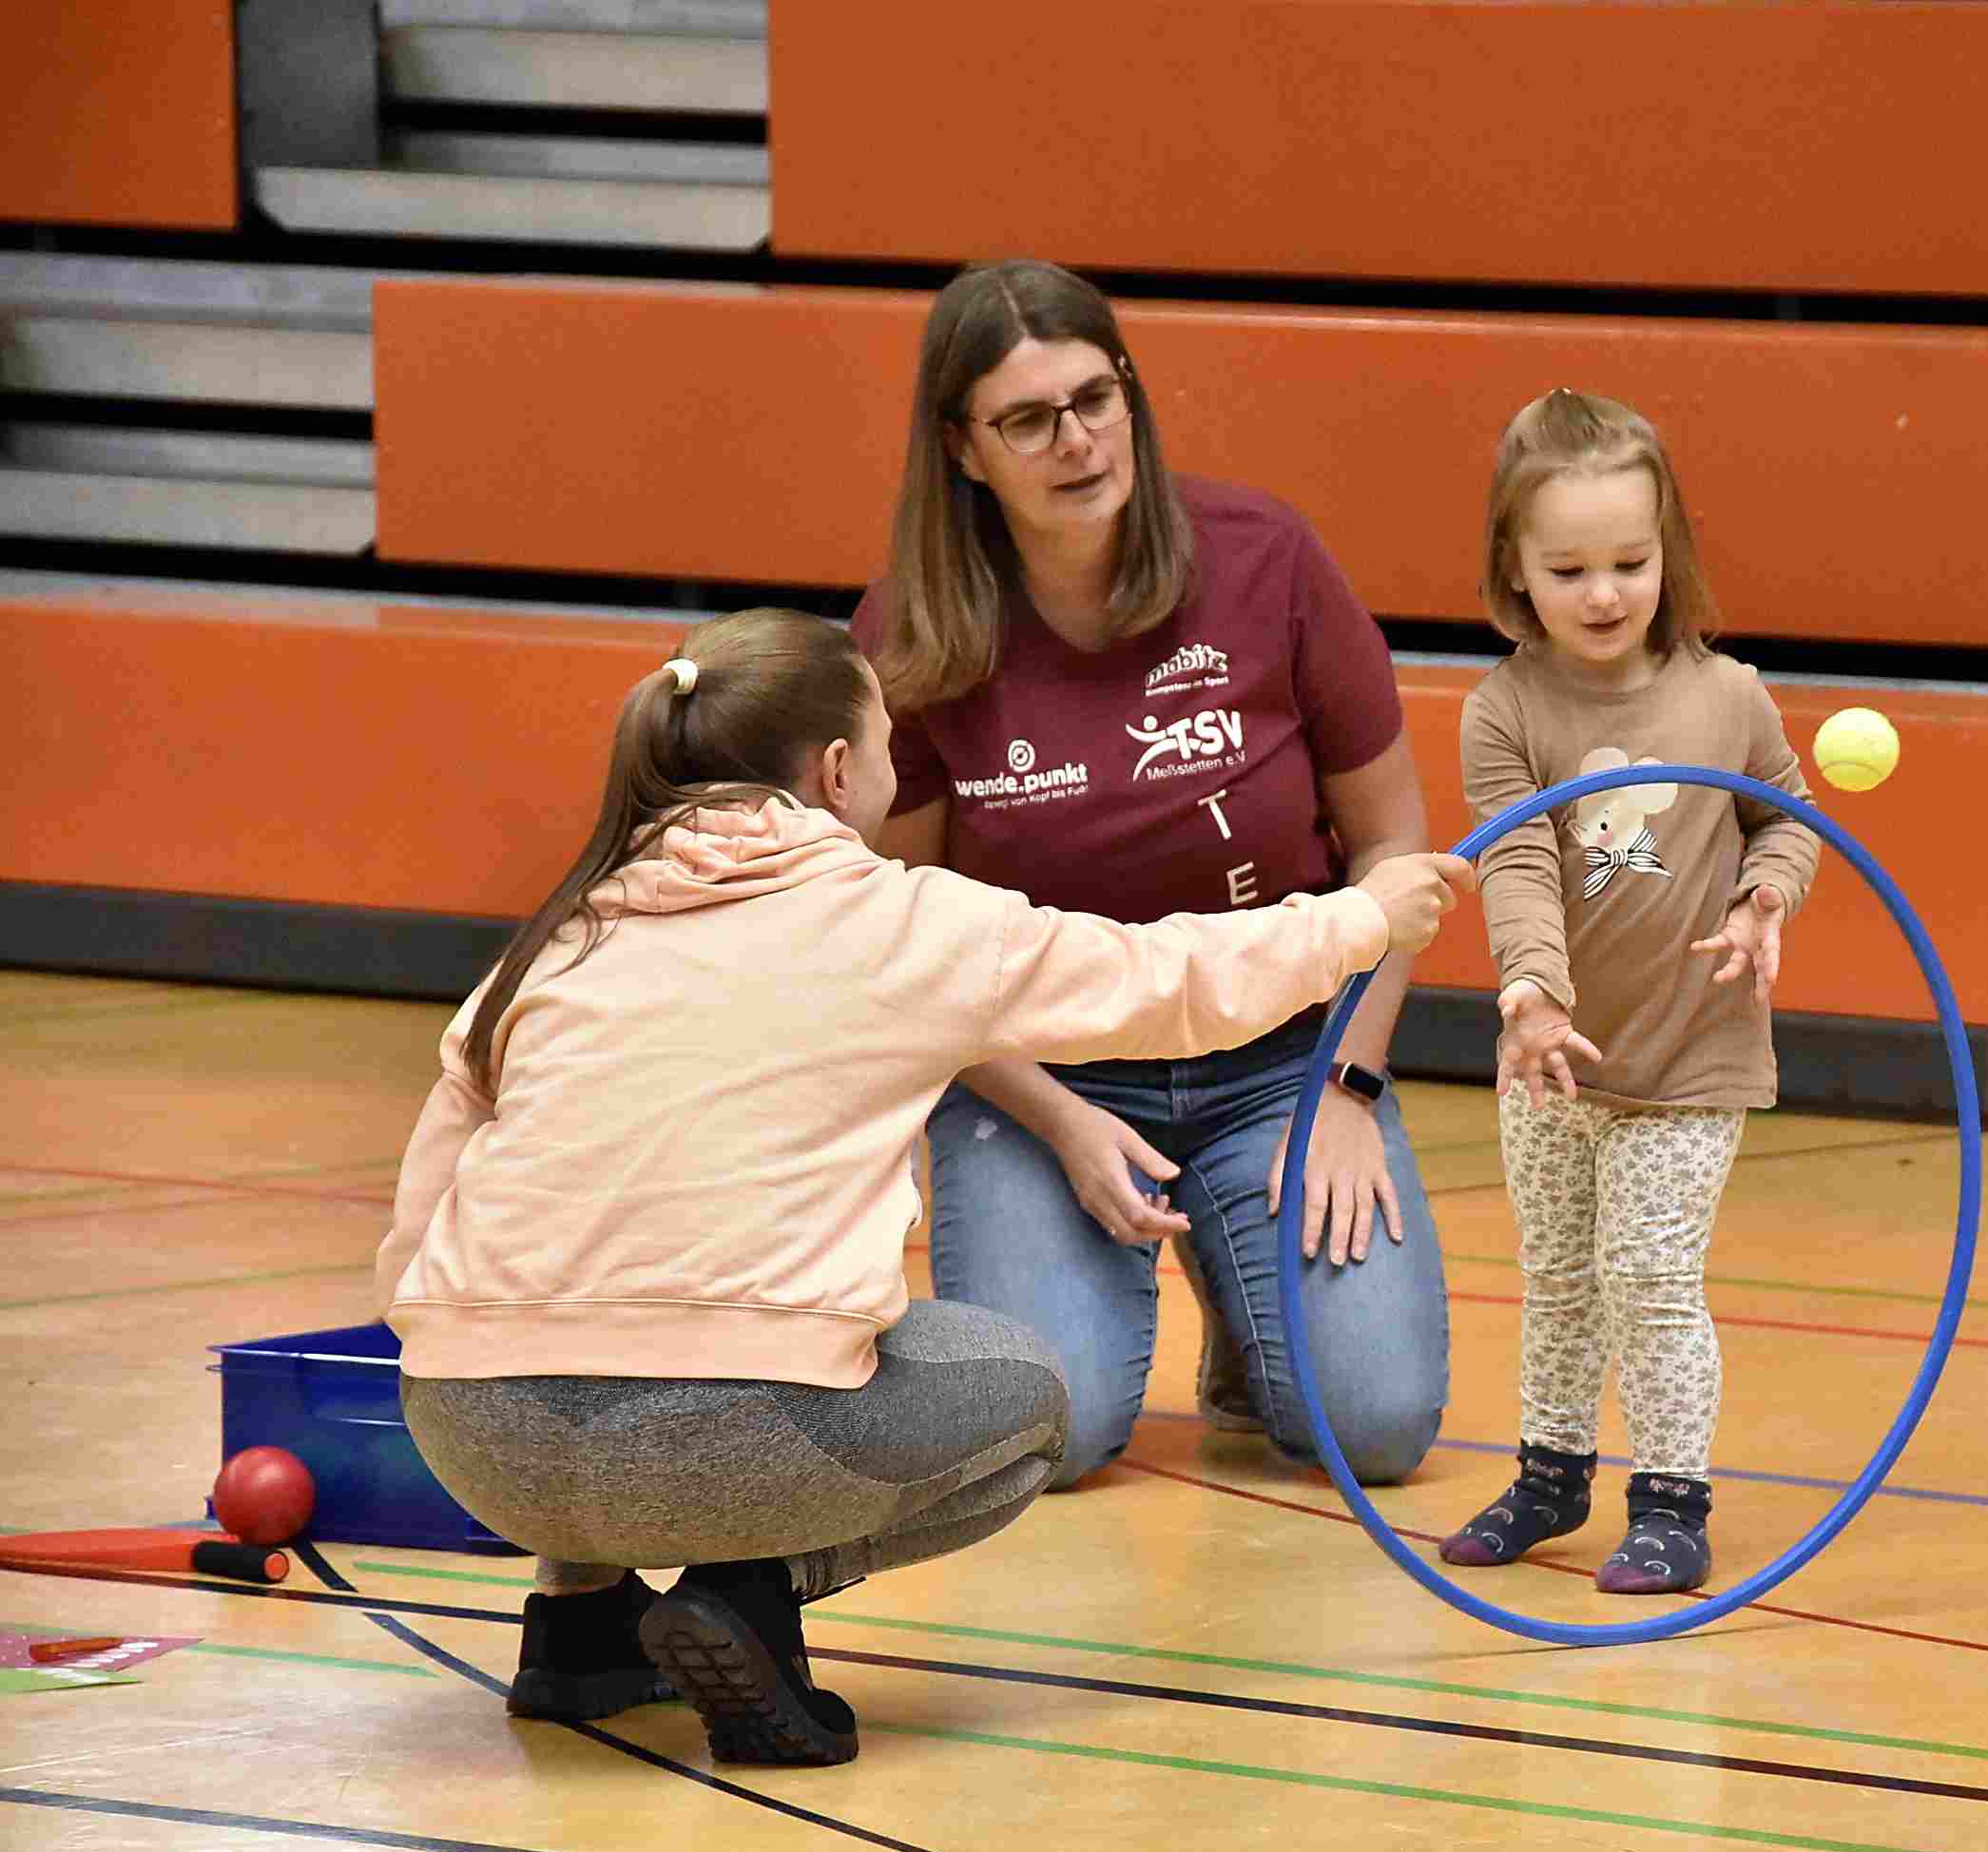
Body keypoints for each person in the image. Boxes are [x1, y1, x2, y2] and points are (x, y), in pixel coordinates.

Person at [376, 608, 1471, 1766]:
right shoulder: (899, 919)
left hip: (470, 1439)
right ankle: (749, 1590)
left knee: (584, 1288)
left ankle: (578, 1627)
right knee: (1027, 1396)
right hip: (728, 1444)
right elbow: (1166, 981)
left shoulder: (558, 935)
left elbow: (423, 1215)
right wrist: (1362, 918)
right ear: (837, 771)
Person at [851, 258, 1452, 1488]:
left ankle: (1245, 1305)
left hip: (1284, 1055)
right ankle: (1139, 1245)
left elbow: (1395, 848)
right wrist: (1064, 1123)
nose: (1076, 441)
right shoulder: (909, 636)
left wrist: (1347, 1086)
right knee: (1048, 1439)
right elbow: (906, 943)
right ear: (964, 449)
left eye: (1094, 398)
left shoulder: (1266, 558)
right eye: (1028, 420)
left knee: (1378, 1426)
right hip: (1043, 1073)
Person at [1441, 390, 1820, 1594]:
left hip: (1690, 1054)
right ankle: (1552, 1472)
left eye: (1630, 562)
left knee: (1650, 1281)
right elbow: (1513, 858)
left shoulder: (1728, 696)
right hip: (1552, 1056)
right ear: (1513, 566)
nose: (1603, 593)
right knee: (1557, 1281)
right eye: (1568, 569)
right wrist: (1532, 994)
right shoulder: (1503, 710)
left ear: (1670, 549)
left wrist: (1763, 898)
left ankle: (1670, 1502)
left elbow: (1790, 819)